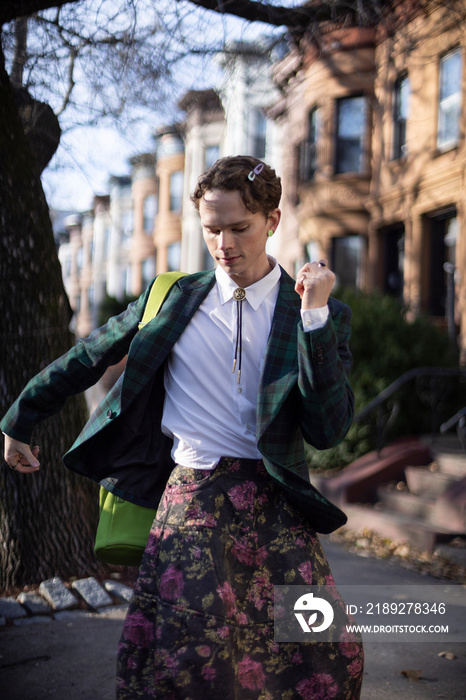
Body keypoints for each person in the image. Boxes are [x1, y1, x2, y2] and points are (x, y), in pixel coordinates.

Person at [2, 155, 363, 699]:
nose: (225, 244)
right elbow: (87, 356)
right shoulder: (172, 298)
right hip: (193, 503)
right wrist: (21, 417)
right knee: (192, 661)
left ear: (273, 220)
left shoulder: (314, 314)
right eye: (211, 229)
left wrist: (314, 318)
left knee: (324, 656)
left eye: (239, 227)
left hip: (276, 507)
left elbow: (328, 427)